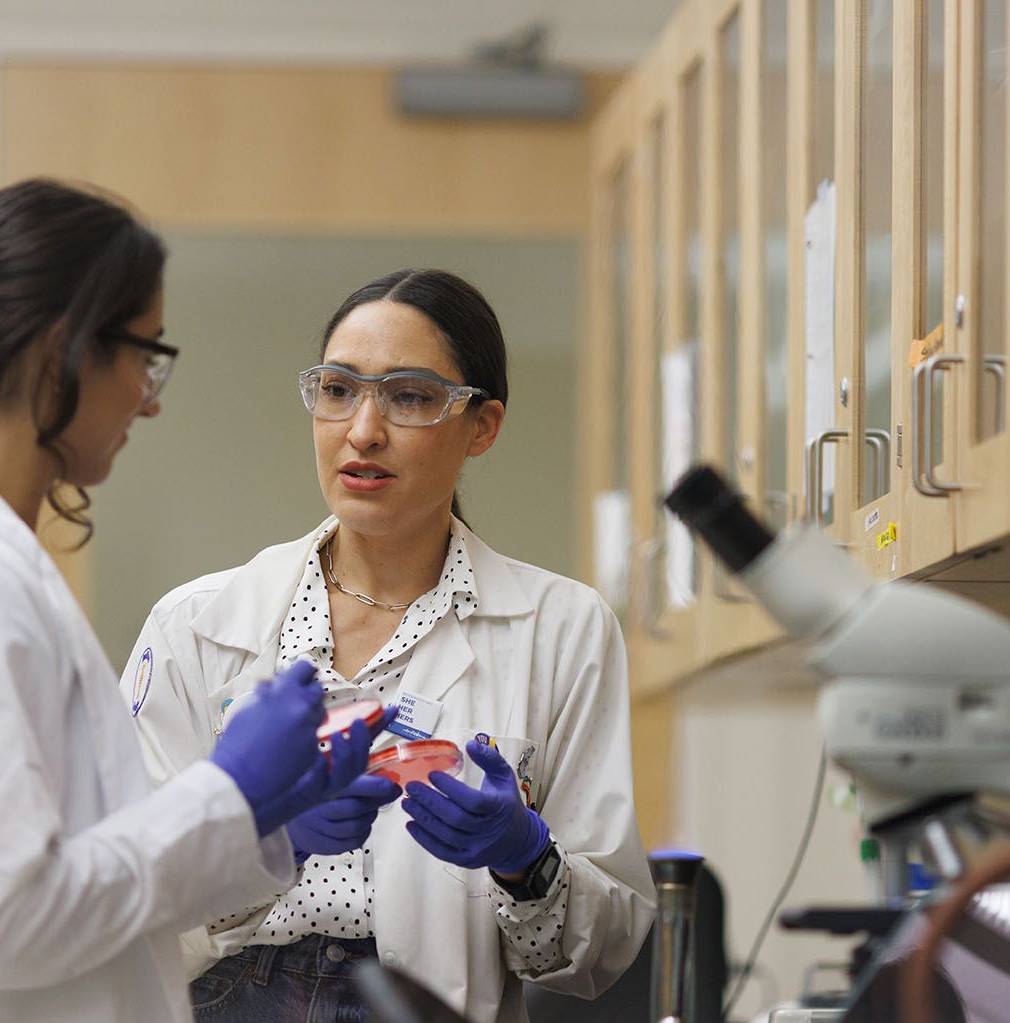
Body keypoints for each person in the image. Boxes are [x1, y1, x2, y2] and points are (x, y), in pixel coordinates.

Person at [0, 179, 381, 1023]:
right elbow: (5, 923)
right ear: (60, 352)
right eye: (143, 355)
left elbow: (64, 875)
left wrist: (267, 819)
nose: (150, 397)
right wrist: (229, 791)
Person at [121, 269, 655, 1023]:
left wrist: (526, 859)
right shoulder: (197, 625)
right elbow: (123, 901)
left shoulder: (562, 628)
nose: (363, 430)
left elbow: (605, 952)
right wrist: (255, 842)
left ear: (483, 425)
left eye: (408, 396)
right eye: (338, 389)